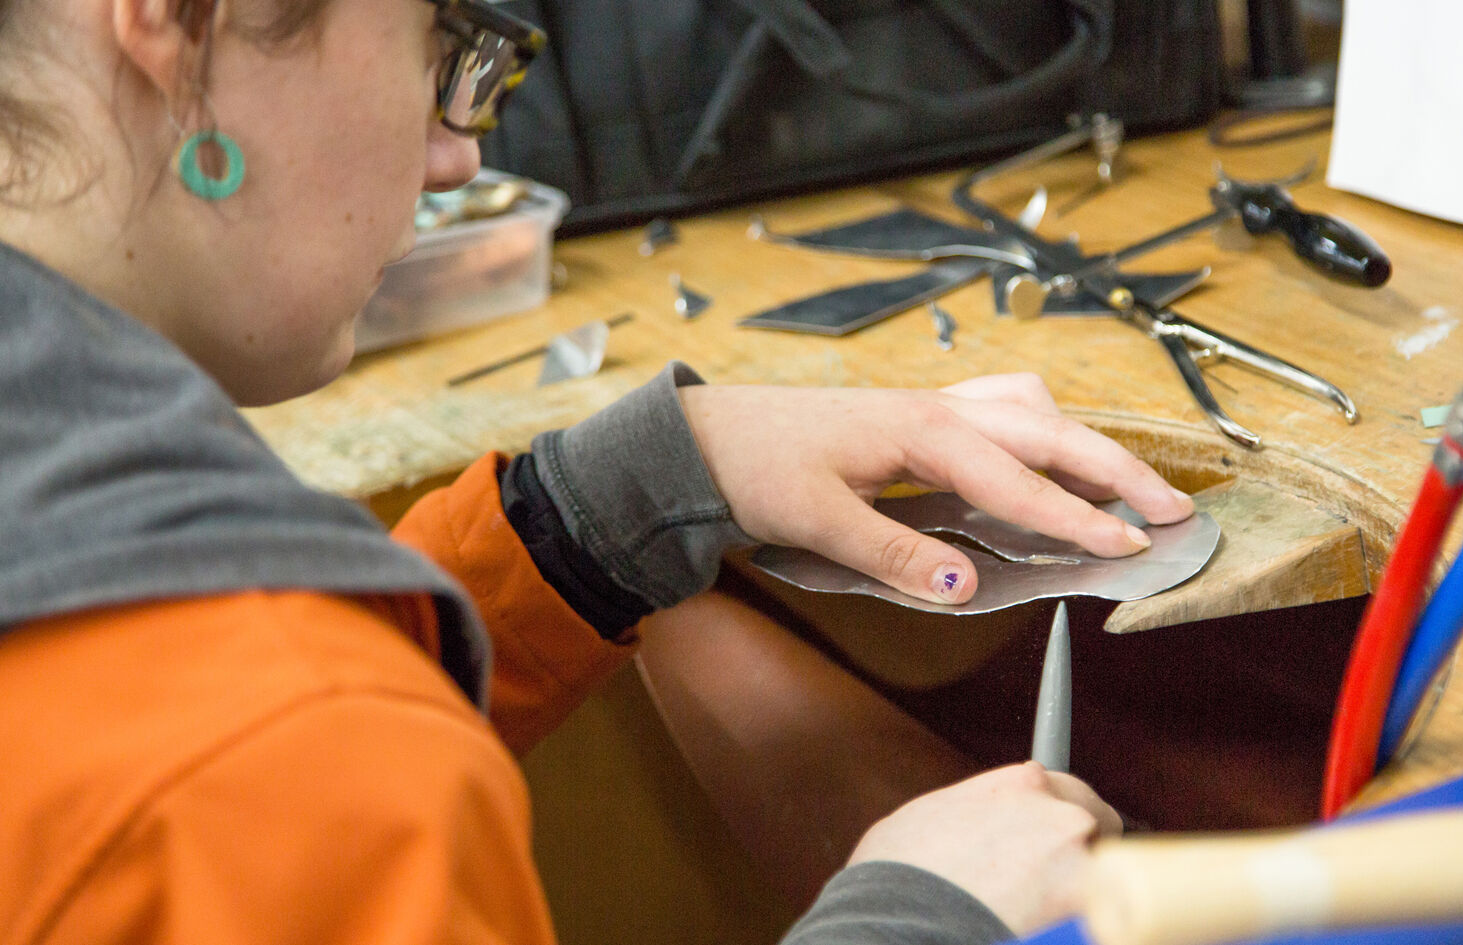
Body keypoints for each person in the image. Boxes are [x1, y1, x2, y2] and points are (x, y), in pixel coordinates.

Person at [0, 1, 1196, 943]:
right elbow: (267, 762)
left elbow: (212, 746)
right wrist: (916, 921)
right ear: (182, 18)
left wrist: (601, 504)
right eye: (431, 34)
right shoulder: (258, 760)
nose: (455, 156)